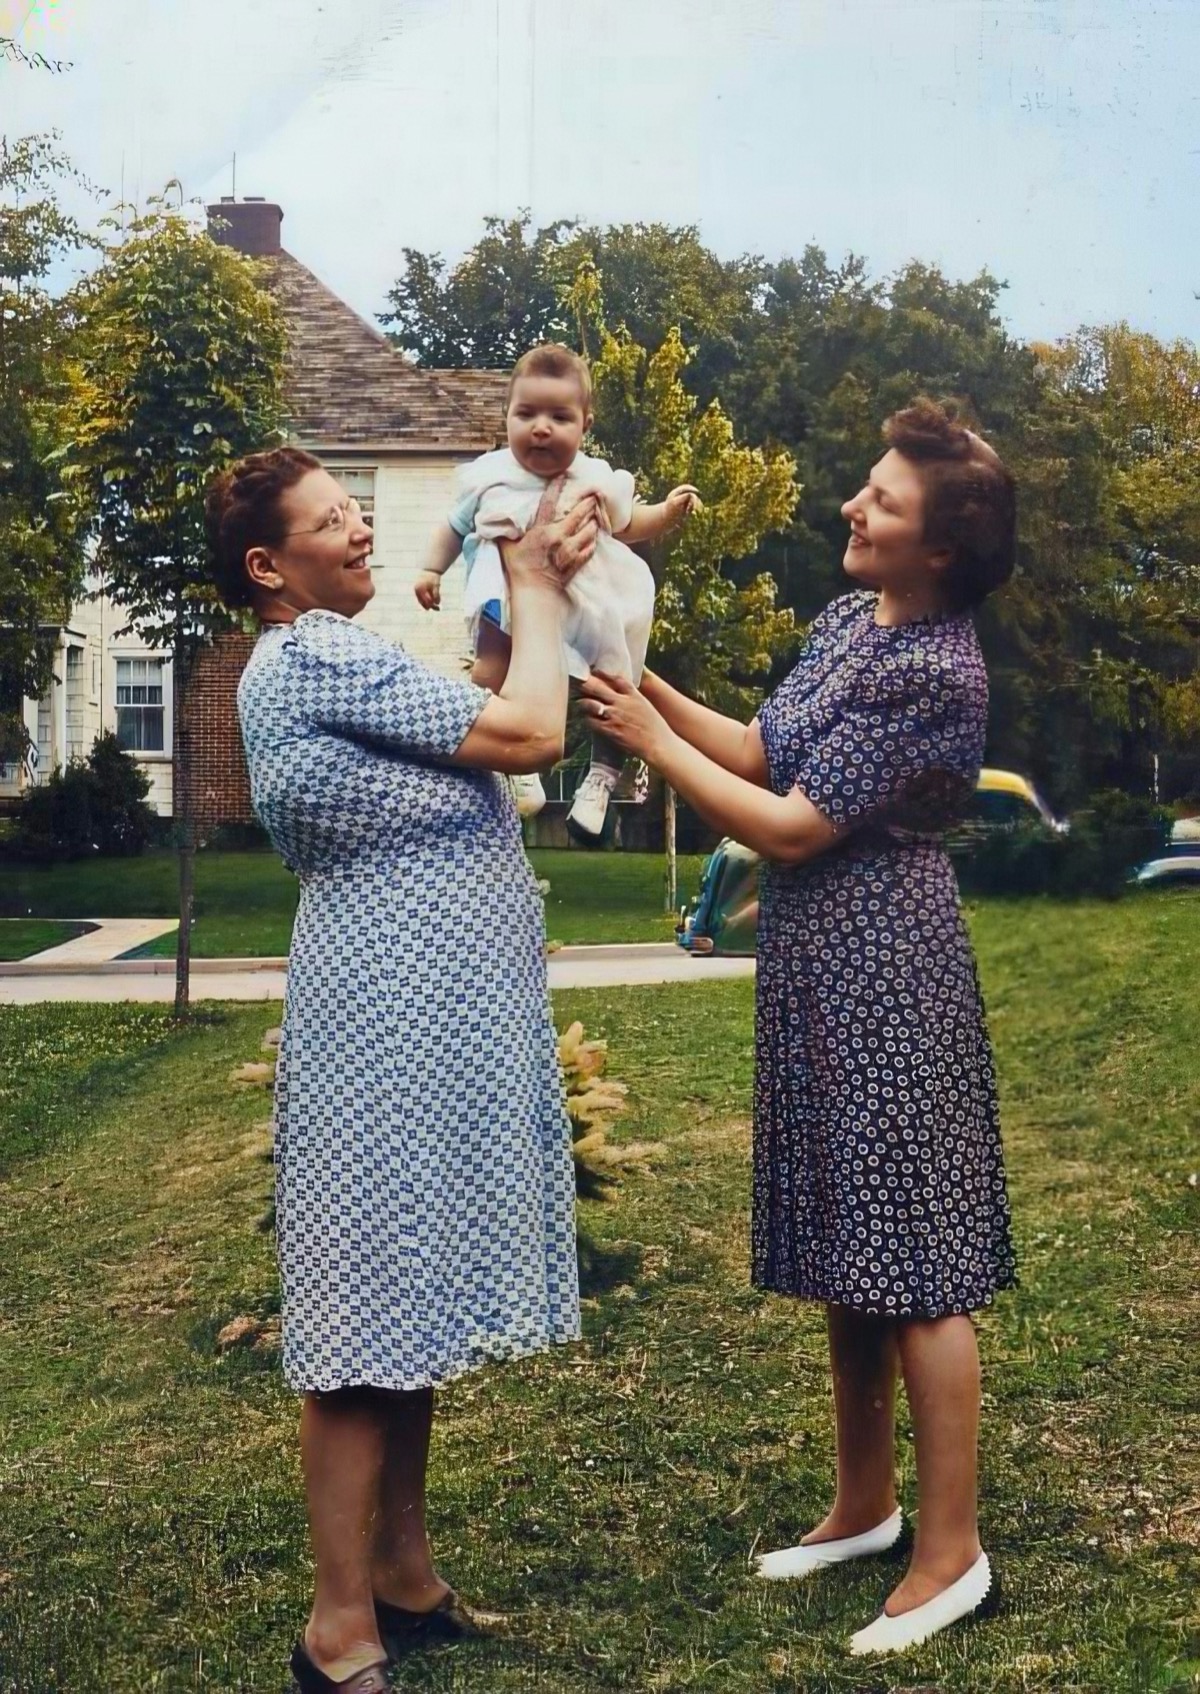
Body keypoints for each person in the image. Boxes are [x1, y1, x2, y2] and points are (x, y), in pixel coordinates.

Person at [579, 399, 1019, 1659]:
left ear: (940, 548)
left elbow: (788, 827)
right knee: (845, 1240)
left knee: (918, 1261)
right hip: (820, 964)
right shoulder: (846, 620)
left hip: (891, 966)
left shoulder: (936, 670)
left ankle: (952, 1551)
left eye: (882, 500)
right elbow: (763, 750)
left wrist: (649, 740)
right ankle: (865, 1504)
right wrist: (638, 680)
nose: (852, 506)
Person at [203, 446, 599, 1694]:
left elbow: (484, 715)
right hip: (386, 1024)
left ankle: (403, 1573)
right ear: (269, 566)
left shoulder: (330, 656)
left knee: (403, 1301)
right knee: (362, 1319)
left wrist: (529, 592)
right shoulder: (315, 653)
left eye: (357, 509)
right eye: (335, 517)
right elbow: (532, 731)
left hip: (410, 1018)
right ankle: (337, 1625)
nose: (363, 528)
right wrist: (534, 582)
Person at [415, 342, 699, 842]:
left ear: (585, 424)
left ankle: (601, 779)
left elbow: (629, 523)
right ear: (506, 415)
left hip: (585, 599)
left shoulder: (595, 479)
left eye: (559, 417)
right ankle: (515, 764)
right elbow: (453, 527)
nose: (541, 428)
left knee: (610, 687)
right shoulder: (490, 475)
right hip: (508, 599)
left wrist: (668, 513)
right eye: (526, 414)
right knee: (489, 671)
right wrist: (430, 569)